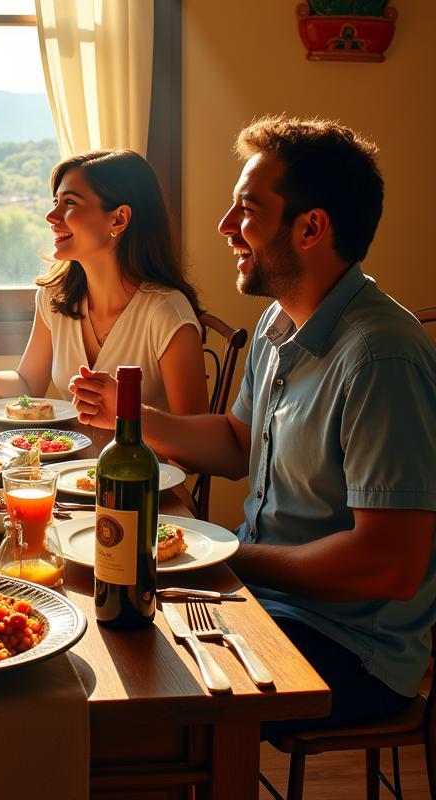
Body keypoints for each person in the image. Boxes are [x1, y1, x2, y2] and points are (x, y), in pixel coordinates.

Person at [71, 116, 436, 733]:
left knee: (135, 687)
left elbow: (389, 566)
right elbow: (239, 445)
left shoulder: (380, 356)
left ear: (311, 228)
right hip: (268, 603)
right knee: (96, 620)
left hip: (348, 649)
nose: (224, 228)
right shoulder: (279, 322)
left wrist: (228, 556)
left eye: (245, 210)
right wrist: (128, 415)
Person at [0, 150, 208, 415]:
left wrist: (127, 410)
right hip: (68, 468)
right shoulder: (54, 297)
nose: (51, 216)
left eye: (70, 202)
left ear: (119, 219)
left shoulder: (166, 313)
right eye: (55, 202)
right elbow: (27, 386)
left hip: (144, 470)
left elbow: (194, 442)